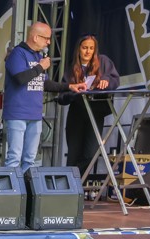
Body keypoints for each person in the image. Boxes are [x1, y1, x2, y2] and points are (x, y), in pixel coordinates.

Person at [3, 22, 87, 173]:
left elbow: (45, 83)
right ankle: (11, 194)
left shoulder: (38, 56)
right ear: (35, 37)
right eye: (46, 38)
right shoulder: (18, 54)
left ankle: (27, 193)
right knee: (14, 156)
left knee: (31, 158)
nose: (48, 42)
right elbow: (20, 79)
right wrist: (40, 67)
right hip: (17, 113)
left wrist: (69, 86)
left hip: (35, 114)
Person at [58, 34, 120, 179]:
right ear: (78, 49)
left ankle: (69, 180)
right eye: (85, 47)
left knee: (91, 153)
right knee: (73, 154)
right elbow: (62, 97)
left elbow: (115, 80)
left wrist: (106, 80)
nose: (88, 51)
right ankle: (71, 188)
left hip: (95, 112)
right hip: (77, 114)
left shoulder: (103, 61)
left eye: (91, 48)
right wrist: (75, 92)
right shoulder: (71, 68)